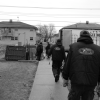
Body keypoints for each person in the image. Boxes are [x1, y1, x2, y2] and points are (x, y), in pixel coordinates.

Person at [62, 30, 100, 100]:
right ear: (90, 36)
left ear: (80, 36)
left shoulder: (73, 47)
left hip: (76, 81)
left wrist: (65, 78)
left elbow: (67, 64)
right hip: (91, 83)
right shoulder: (98, 49)